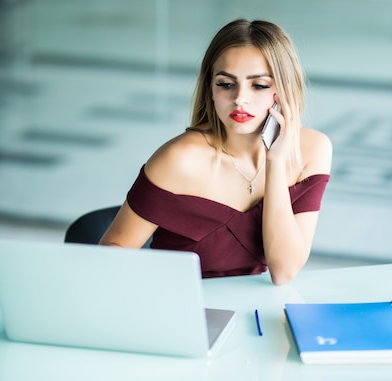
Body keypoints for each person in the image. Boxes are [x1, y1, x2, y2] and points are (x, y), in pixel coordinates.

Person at [99, 19, 332, 285]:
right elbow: (111, 252)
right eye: (225, 84)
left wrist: (276, 163)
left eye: (259, 85)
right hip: (179, 304)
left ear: (283, 90)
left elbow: (283, 272)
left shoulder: (313, 150)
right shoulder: (180, 159)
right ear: (210, 88)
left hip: (252, 309)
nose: (240, 99)